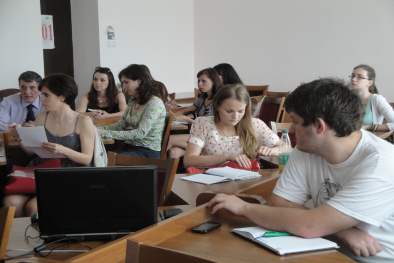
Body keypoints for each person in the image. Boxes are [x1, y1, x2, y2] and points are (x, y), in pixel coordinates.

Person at [207, 78, 394, 263]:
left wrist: (244, 207)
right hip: (323, 248)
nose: (291, 129)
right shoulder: (307, 149)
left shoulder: (382, 163)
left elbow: (309, 226)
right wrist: (341, 229)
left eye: (295, 122)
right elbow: (279, 202)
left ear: (319, 127)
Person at [4, 74, 96, 217]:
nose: (41, 99)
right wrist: (21, 138)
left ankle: (40, 239)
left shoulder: (83, 121)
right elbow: (31, 152)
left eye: (46, 95)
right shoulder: (42, 116)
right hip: (40, 171)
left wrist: (62, 149)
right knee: (11, 203)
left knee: (34, 208)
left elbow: (87, 159)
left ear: (62, 97)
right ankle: (18, 239)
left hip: (66, 175)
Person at [184, 84, 285, 168]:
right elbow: (189, 160)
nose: (235, 117)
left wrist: (274, 150)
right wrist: (226, 157)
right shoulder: (203, 123)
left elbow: (286, 147)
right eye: (229, 111)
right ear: (217, 107)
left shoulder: (255, 124)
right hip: (210, 182)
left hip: (246, 181)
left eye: (241, 111)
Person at [99, 64, 166, 158]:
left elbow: (140, 133)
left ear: (139, 81)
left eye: (126, 82)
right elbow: (121, 125)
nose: (123, 86)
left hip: (146, 151)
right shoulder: (133, 100)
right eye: (122, 83)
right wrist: (98, 129)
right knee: (95, 152)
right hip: (129, 146)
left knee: (104, 158)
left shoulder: (154, 103)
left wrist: (104, 133)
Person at [167, 68, 222, 159]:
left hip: (211, 138)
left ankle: (154, 168)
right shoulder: (202, 98)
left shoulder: (220, 100)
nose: (200, 84)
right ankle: (176, 173)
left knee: (169, 139)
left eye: (203, 81)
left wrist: (188, 120)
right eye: (198, 81)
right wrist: (171, 113)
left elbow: (213, 125)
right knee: (174, 152)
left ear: (214, 81)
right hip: (199, 136)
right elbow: (186, 110)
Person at [350, 64, 394, 132]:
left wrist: (369, 127)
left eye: (359, 77)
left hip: (370, 140)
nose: (353, 79)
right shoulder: (348, 99)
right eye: (353, 76)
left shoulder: (377, 99)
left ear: (370, 83)